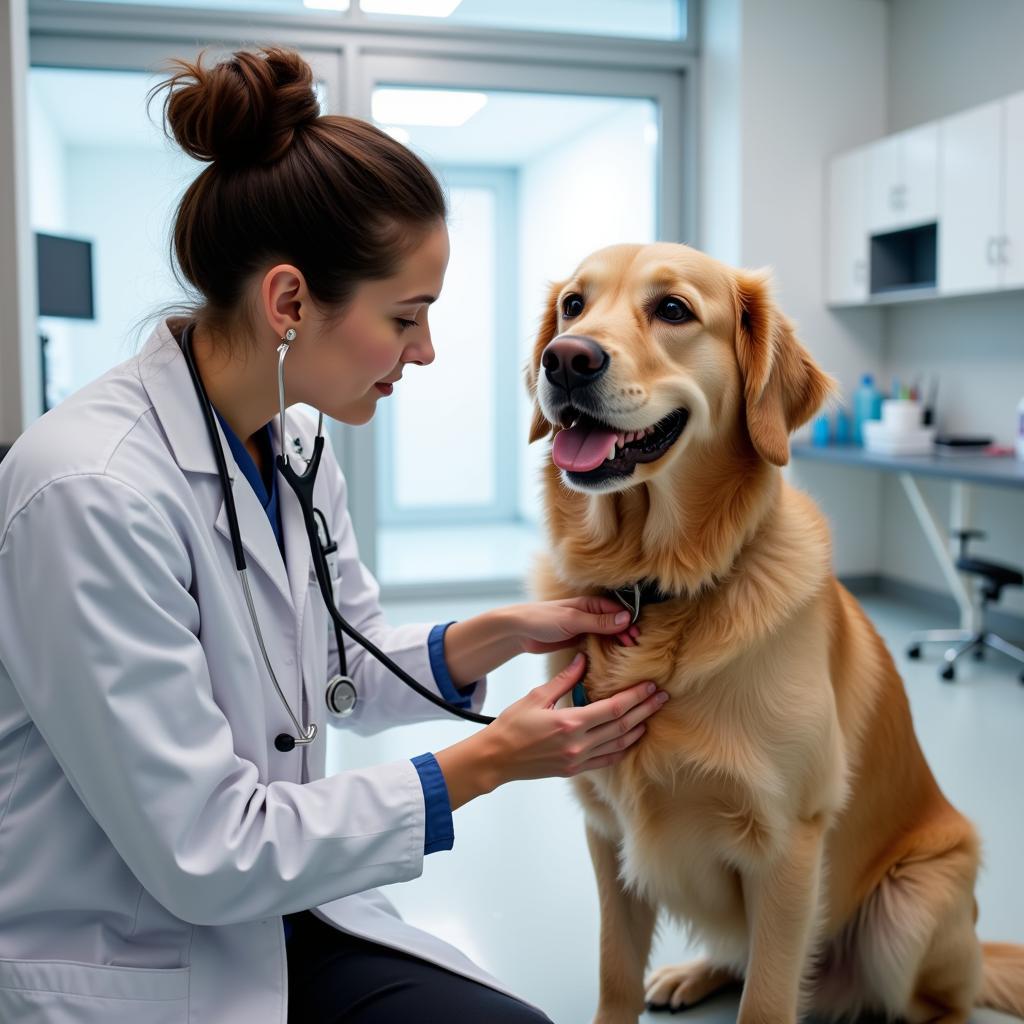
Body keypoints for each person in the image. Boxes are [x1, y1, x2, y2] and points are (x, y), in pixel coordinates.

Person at [0, 47, 670, 1024]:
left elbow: (330, 669)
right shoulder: (89, 492)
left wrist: (498, 633)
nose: (425, 350)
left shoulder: (294, 439)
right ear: (287, 302)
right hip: (139, 950)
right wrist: (486, 763)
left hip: (274, 904)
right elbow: (205, 848)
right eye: (406, 316)